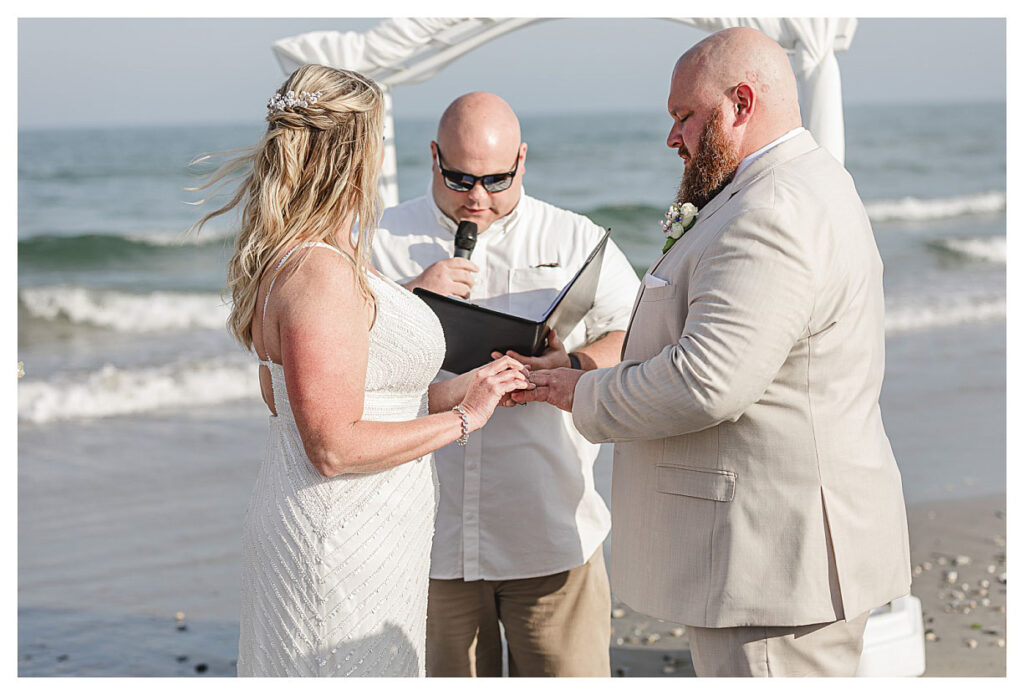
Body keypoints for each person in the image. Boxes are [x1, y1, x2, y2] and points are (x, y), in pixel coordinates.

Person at [513, 27, 912, 677]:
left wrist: (578, 393)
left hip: (776, 565)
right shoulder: (799, 182)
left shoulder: (773, 209)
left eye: (684, 117)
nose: (673, 138)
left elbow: (708, 380)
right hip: (778, 554)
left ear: (742, 104)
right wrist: (586, 362)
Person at [189, 65, 531, 677]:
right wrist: (464, 418)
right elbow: (333, 447)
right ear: (356, 153)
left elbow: (312, 396)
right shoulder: (317, 271)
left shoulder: (315, 256)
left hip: (371, 529)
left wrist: (481, 386)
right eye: (377, 140)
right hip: (339, 537)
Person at [372, 92, 640, 677]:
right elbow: (340, 361)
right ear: (434, 156)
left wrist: (569, 367)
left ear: (523, 159)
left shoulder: (573, 238)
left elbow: (636, 333)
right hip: (426, 541)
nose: (477, 197)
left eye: (496, 179)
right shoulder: (379, 239)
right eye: (460, 177)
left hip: (547, 530)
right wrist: (409, 299)